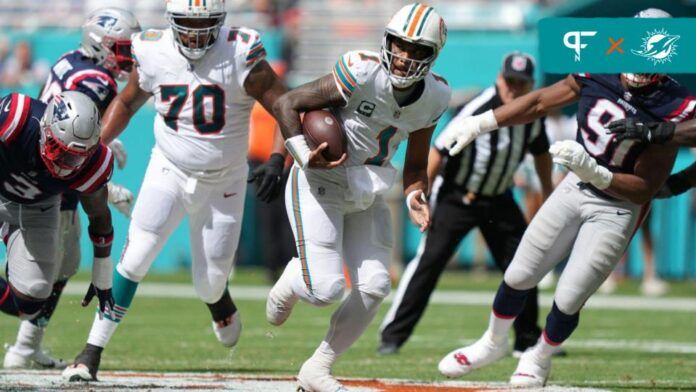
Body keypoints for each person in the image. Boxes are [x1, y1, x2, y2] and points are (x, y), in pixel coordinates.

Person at [436, 7, 690, 388]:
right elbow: (539, 102)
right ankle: (492, 341)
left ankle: (538, 357)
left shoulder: (673, 103)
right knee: (520, 272)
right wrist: (482, 121)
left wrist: (599, 169)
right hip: (575, 185)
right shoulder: (599, 65)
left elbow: (646, 188)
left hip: (618, 204)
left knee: (570, 296)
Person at [62, 0, 287, 382]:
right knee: (135, 259)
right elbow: (128, 100)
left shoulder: (240, 50)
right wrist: (94, 147)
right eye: (186, 24)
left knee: (210, 280)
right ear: (171, 22)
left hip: (224, 180)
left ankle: (218, 300)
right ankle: (91, 352)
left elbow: (285, 104)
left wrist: (279, 158)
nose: (196, 34)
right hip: (168, 168)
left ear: (220, 23)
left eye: (205, 25)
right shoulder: (153, 49)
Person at [268, 3, 451, 391]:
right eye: (399, 45)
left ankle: (317, 368)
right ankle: (292, 278)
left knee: (374, 285)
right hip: (320, 183)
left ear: (431, 56)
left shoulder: (435, 96)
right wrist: (303, 154)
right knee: (326, 289)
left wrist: (417, 193)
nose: (403, 57)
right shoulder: (361, 70)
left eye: (415, 50)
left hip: (368, 189)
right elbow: (287, 103)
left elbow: (416, 164)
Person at [378, 52, 554, 357]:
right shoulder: (479, 107)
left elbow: (541, 153)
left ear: (530, 85)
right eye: (510, 81)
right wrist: (424, 194)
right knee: (429, 263)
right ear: (500, 78)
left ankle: (526, 339)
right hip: (457, 196)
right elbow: (438, 150)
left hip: (499, 198)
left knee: (525, 264)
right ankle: (392, 335)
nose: (514, 88)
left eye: (521, 83)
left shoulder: (531, 116)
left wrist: (548, 191)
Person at [3, 7, 140, 370]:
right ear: (102, 43)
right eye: (122, 49)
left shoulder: (69, 60)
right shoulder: (97, 81)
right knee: (63, 265)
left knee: (58, 271)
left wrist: (99, 179)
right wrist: (103, 186)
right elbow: (76, 139)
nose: (128, 57)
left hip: (48, 175)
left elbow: (78, 146)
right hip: (45, 177)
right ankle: (25, 344)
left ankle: (27, 342)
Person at [0, 91, 116, 363]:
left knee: (32, 302)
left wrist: (102, 273)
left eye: (75, 158)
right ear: (45, 128)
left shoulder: (94, 164)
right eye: (60, 151)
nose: (64, 165)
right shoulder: (16, 118)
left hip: (36, 210)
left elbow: (99, 216)